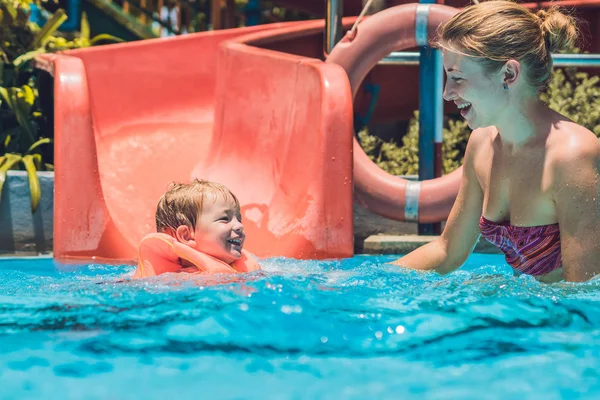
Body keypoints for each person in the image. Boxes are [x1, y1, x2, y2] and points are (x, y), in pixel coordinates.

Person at [392, 1, 600, 283]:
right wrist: (372, 284)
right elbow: (447, 250)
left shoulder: (571, 156)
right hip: (526, 313)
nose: (446, 93)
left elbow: (586, 291)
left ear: (508, 75)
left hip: (560, 321)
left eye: (457, 78)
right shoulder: (482, 145)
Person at [134, 179, 261, 278]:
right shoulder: (174, 281)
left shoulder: (247, 269)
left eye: (238, 219)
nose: (240, 226)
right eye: (224, 219)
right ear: (186, 236)